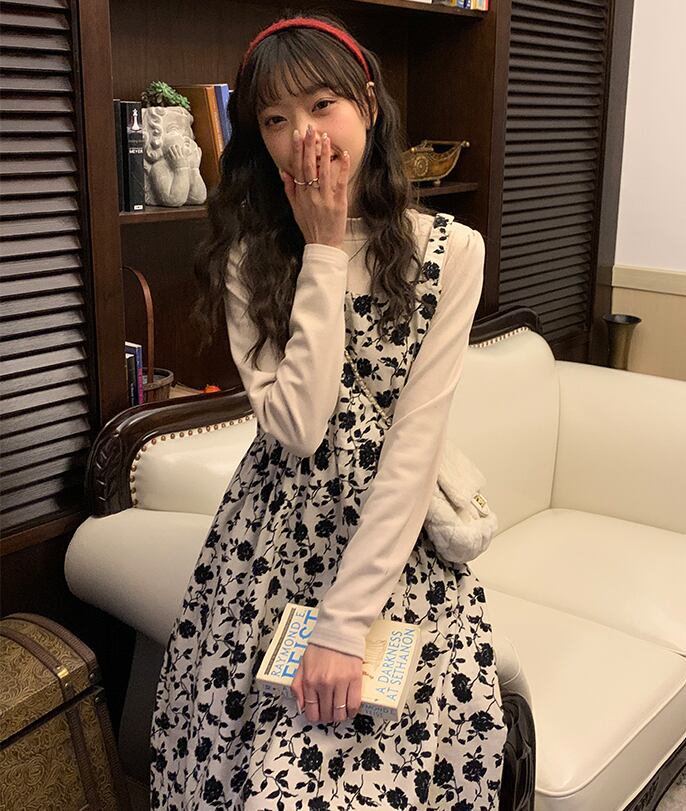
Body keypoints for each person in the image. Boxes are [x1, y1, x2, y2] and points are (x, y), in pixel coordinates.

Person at [149, 11, 507, 810]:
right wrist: (320, 246)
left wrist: (343, 627)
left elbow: (414, 447)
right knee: (235, 769)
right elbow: (299, 427)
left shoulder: (452, 251)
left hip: (390, 551)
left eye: (322, 105)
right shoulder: (249, 257)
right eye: (275, 119)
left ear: (367, 104)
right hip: (267, 543)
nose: (303, 135)